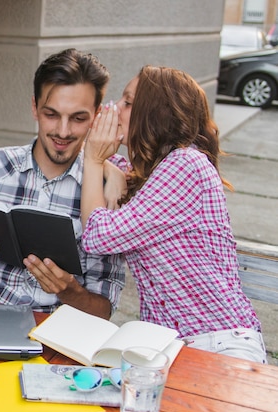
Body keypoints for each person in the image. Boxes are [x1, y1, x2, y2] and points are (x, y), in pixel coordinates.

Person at [81, 65, 267, 363]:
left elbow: (98, 236)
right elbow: (85, 153)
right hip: (166, 347)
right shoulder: (147, 173)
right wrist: (109, 168)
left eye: (128, 103)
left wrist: (94, 160)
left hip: (216, 343)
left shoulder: (185, 165)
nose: (115, 108)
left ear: (155, 114)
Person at [0, 48, 127, 319]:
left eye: (78, 118)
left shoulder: (105, 189)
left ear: (96, 116)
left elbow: (103, 311)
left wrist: (69, 290)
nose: (63, 131)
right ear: (34, 107)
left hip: (50, 335)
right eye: (51, 114)